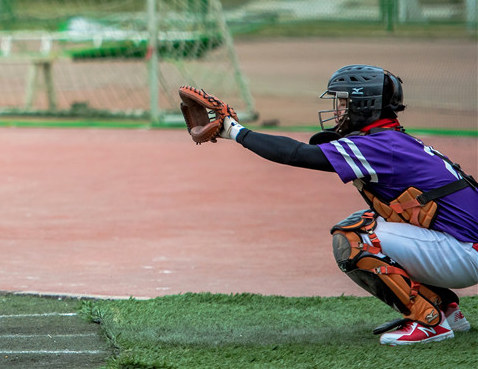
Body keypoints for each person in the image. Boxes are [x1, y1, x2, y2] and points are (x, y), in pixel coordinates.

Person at [184, 65, 477, 345]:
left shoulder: (378, 145)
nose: (338, 109)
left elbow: (297, 153)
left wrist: (235, 131)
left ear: (364, 104)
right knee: (370, 220)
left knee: (355, 237)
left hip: (465, 253)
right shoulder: (390, 140)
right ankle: (446, 310)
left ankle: (429, 322)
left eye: (343, 102)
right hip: (463, 248)